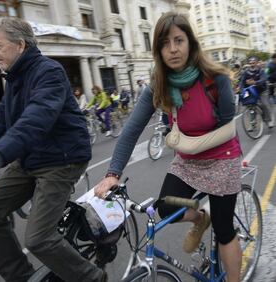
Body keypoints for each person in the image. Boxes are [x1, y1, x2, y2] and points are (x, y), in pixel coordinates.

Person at [0, 17, 104, 282]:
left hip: (61, 159)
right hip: (30, 159)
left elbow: (35, 119)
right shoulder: (14, 80)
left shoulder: (48, 71)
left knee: (39, 238)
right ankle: (21, 278)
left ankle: (93, 278)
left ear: (20, 45)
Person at [95, 12, 242, 282]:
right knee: (164, 210)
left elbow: (227, 127)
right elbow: (131, 131)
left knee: (224, 229)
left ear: (190, 43)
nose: (172, 49)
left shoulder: (215, 79)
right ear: (158, 50)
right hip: (187, 160)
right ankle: (200, 218)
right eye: (164, 43)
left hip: (222, 157)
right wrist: (112, 173)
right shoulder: (157, 86)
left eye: (179, 40)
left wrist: (228, 157)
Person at [239, 56, 274, 128]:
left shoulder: (261, 70)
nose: (252, 64)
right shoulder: (246, 72)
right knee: (251, 106)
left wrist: (255, 82)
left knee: (264, 104)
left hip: (262, 90)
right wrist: (242, 90)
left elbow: (264, 79)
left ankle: (268, 121)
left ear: (257, 63)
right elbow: (242, 81)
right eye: (250, 63)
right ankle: (252, 124)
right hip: (252, 91)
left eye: (253, 63)